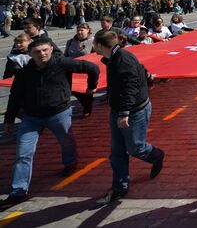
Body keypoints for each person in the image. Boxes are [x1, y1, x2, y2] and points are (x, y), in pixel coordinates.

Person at [0, 38, 99, 211]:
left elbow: (92, 68)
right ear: (30, 54)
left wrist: (91, 87)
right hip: (31, 118)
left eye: (45, 50)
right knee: (23, 153)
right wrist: (9, 119)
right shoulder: (24, 73)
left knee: (66, 141)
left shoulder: (62, 63)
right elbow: (14, 96)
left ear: (51, 50)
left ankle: (70, 162)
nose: (42, 54)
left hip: (58, 114)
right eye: (37, 52)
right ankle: (19, 191)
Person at [92, 31, 165, 206]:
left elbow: (130, 87)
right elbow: (140, 69)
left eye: (94, 44)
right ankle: (120, 186)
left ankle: (157, 155)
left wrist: (124, 112)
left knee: (135, 148)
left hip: (134, 111)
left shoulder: (122, 59)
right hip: (118, 109)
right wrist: (147, 77)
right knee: (117, 152)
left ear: (101, 46)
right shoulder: (115, 58)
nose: (92, 46)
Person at [64, 23, 96, 118]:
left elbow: (97, 56)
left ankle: (87, 109)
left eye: (82, 30)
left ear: (88, 31)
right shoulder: (70, 41)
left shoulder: (93, 41)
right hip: (73, 69)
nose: (79, 32)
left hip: (86, 70)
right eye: (78, 30)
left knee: (87, 91)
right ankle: (86, 104)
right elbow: (65, 55)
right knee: (74, 90)